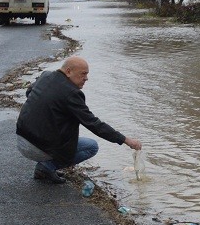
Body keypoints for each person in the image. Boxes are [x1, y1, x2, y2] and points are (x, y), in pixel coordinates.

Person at [16, 56, 141, 184]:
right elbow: (94, 124)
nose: (86, 78)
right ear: (69, 71)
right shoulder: (71, 93)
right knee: (91, 146)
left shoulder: (45, 76)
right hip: (36, 148)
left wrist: (49, 114)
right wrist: (126, 140)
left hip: (21, 138)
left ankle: (46, 165)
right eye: (83, 74)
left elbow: (29, 92)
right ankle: (47, 167)